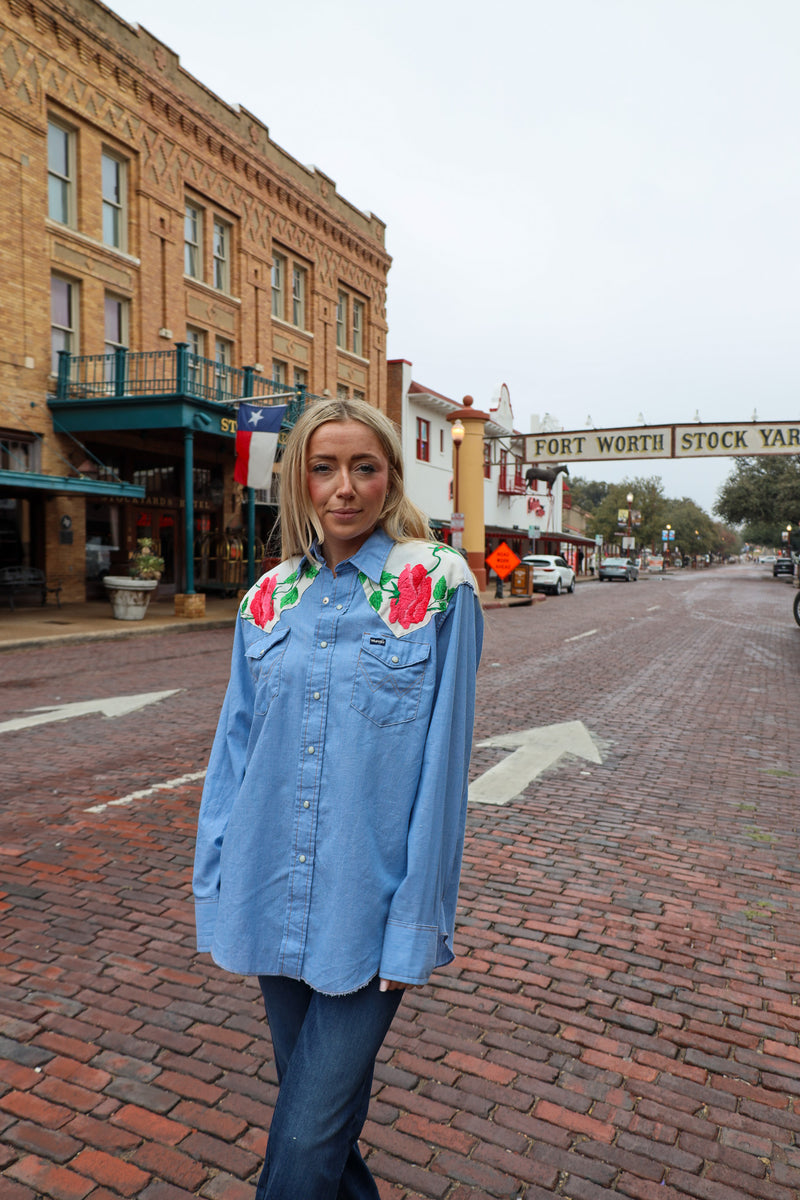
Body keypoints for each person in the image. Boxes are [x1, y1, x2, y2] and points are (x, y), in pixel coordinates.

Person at [193, 397, 483, 1199]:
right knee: (317, 1123)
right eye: (325, 468)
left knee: (305, 1140)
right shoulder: (266, 598)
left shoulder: (436, 584)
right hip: (267, 889)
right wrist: (214, 885)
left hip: (370, 907)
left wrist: (415, 924)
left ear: (390, 476)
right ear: (301, 482)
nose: (344, 488)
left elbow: (442, 769)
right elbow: (234, 755)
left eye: (364, 467)